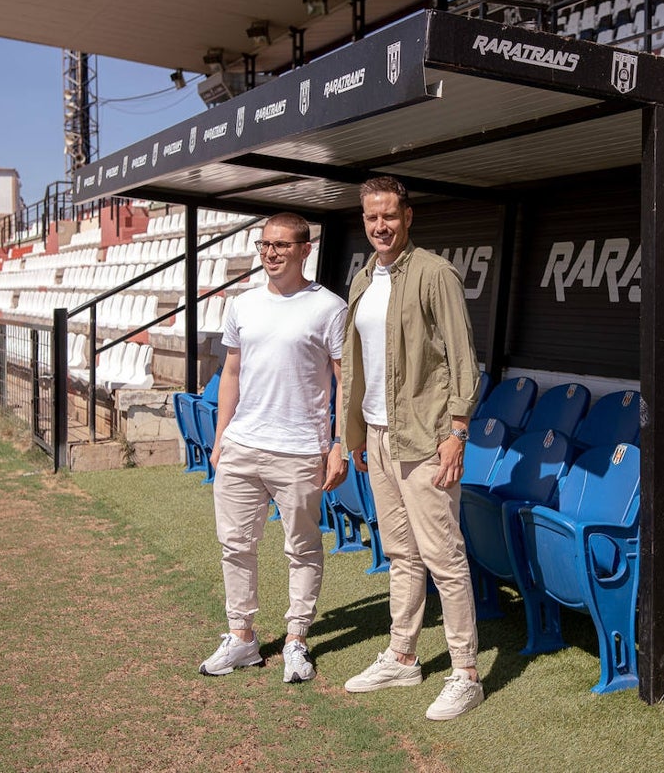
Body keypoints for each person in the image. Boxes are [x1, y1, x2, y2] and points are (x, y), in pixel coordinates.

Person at [340, 176, 484, 721]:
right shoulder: (362, 280)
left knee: (444, 557)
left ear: (408, 217)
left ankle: (465, 671)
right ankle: (402, 656)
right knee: (402, 554)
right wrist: (354, 434)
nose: (380, 226)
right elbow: (354, 366)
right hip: (378, 437)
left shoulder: (434, 273)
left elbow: (462, 356)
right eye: (372, 217)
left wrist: (457, 432)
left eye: (390, 216)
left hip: (426, 438)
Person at [197, 212, 347, 684]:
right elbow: (232, 375)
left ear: (305, 250)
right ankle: (241, 637)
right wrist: (220, 440)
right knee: (235, 545)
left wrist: (339, 443)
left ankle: (296, 640)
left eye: (281, 245)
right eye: (264, 245)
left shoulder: (329, 307)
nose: (271, 253)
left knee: (301, 548)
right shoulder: (243, 305)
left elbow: (346, 382)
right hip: (242, 445)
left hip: (301, 449)